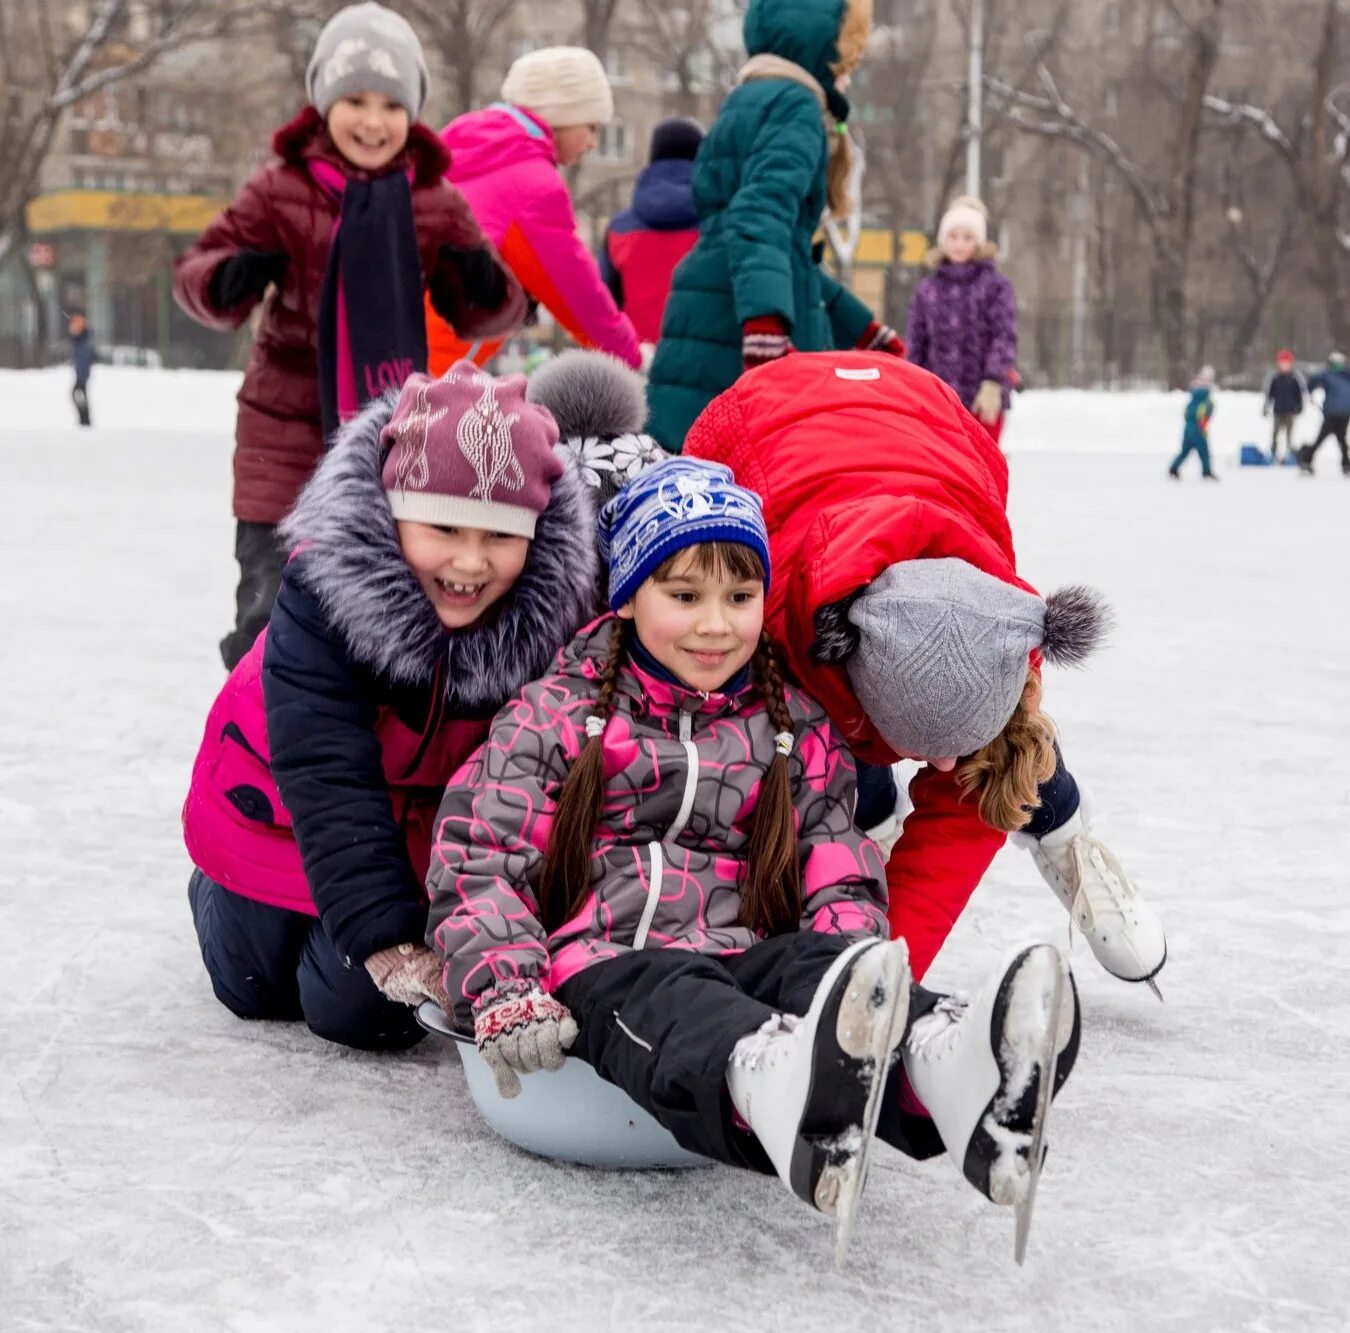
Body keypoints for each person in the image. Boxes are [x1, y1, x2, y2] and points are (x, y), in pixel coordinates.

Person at [426, 457, 1080, 1245]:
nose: (715, 623)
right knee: (673, 994)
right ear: (629, 597)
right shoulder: (552, 716)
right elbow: (481, 856)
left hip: (744, 953)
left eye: (740, 598)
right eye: (685, 595)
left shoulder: (791, 729)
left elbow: (836, 860)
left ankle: (947, 1070)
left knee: (816, 963)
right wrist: (505, 984)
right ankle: (766, 1084)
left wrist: (852, 974)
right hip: (606, 960)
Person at [683, 350, 1167, 993]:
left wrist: (879, 980)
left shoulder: (1004, 622)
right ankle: (870, 820)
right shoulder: (767, 628)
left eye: (949, 753)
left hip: (936, 427)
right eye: (924, 750)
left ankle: (1066, 837)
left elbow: (955, 830)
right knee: (824, 758)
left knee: (1004, 749)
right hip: (760, 428)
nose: (939, 771)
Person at [181, 360, 604, 1051]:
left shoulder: (547, 614)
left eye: (499, 536)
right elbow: (324, 764)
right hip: (280, 800)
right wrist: (383, 935)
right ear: (392, 510)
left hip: (414, 829)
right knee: (249, 985)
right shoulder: (324, 595)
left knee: (362, 1012)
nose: (469, 564)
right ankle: (218, 892)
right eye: (444, 528)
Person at [173, 2, 525, 670]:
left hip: (388, 435)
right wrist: (225, 279)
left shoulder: (434, 201)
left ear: (412, 113)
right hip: (284, 429)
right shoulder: (280, 189)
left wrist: (485, 285)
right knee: (271, 606)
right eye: (355, 99)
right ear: (323, 103)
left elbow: (487, 314)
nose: (373, 121)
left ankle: (354, 754)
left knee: (375, 610)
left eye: (391, 105)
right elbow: (197, 271)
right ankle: (259, 743)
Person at [646, 0, 904, 452]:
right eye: (845, 60)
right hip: (739, 322)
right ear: (820, 50)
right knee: (766, 482)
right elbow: (759, 214)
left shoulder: (746, 99)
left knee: (696, 476)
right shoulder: (797, 106)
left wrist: (861, 329)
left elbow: (784, 253)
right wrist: (766, 324)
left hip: (713, 299)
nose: (847, 75)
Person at [425, 47, 641, 374]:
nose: (594, 143)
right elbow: (578, 295)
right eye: (592, 127)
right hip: (433, 360)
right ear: (563, 116)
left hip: (393, 340)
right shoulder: (532, 184)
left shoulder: (475, 148)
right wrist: (632, 357)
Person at [904, 195, 1017, 445]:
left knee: (983, 470)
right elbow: (916, 341)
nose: (959, 244)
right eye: (953, 236)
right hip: (938, 399)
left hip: (983, 398)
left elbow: (1004, 335)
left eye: (968, 237)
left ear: (979, 241)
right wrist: (913, 386)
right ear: (943, 240)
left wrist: (993, 381)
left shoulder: (996, 287)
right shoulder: (928, 289)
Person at [599, 117, 703, 345]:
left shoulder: (618, 229)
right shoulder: (719, 225)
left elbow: (604, 308)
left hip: (638, 363)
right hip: (706, 361)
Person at [1297, 350, 1350, 476]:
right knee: (1329, 438)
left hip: (1345, 413)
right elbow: (1312, 382)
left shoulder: (1347, 375)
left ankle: (1345, 464)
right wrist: (1309, 392)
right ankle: (1307, 460)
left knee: (1339, 439)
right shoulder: (1327, 375)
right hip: (1331, 413)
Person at [1168, 365, 1218, 481]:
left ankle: (1174, 467)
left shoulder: (1194, 397)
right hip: (1198, 429)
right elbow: (1203, 415)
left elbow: (1187, 413)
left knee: (1185, 451)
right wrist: (1202, 426)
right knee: (1204, 451)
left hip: (1189, 428)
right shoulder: (1204, 399)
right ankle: (1206, 471)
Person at [1262, 348, 1306, 462]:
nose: (1284, 366)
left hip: (1290, 410)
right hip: (1278, 410)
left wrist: (1300, 406)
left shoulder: (1294, 378)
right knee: (1275, 433)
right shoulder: (1275, 378)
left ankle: (1289, 453)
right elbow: (1269, 394)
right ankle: (1273, 452)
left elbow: (1299, 394)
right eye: (1282, 363)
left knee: (1289, 433)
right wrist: (1265, 406)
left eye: (1287, 363)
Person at [68, 311, 94, 427]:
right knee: (78, 395)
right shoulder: (80, 343)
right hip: (81, 376)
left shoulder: (83, 344)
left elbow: (84, 362)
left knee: (77, 394)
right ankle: (84, 419)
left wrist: (81, 377)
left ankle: (85, 419)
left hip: (82, 377)